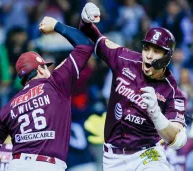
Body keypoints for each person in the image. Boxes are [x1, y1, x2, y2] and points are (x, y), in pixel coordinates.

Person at [79, 2, 187, 171]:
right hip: (112, 158)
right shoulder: (124, 60)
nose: (149, 56)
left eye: (157, 51)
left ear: (167, 57)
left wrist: (156, 114)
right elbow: (94, 36)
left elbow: (177, 139)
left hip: (146, 154)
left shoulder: (173, 92)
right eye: (146, 48)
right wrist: (86, 19)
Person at [0, 16, 94, 171]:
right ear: (40, 69)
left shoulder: (9, 106)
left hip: (16, 165)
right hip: (47, 165)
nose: (48, 70)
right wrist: (56, 26)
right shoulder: (55, 83)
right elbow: (85, 45)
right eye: (45, 67)